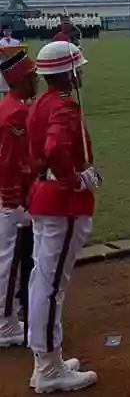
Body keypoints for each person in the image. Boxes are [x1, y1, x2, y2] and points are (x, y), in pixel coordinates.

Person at [27, 41, 100, 392]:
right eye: (78, 67)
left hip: (44, 197)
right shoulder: (64, 107)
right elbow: (55, 147)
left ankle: (46, 360)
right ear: (68, 73)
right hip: (63, 203)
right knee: (52, 286)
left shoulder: (40, 103)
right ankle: (49, 369)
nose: (81, 72)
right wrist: (75, 180)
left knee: (42, 281)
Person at [0, 48, 38, 350]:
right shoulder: (16, 113)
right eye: (32, 75)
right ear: (22, 79)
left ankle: (8, 320)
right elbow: (10, 161)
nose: (37, 78)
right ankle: (5, 325)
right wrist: (14, 202)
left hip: (9, 198)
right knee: (9, 263)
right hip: (10, 199)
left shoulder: (10, 106)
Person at [0, 24, 22, 96]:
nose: (8, 33)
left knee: (14, 87)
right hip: (4, 65)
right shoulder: (0, 42)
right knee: (5, 87)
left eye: (9, 31)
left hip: (13, 66)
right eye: (6, 31)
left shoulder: (16, 42)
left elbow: (20, 53)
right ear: (3, 32)